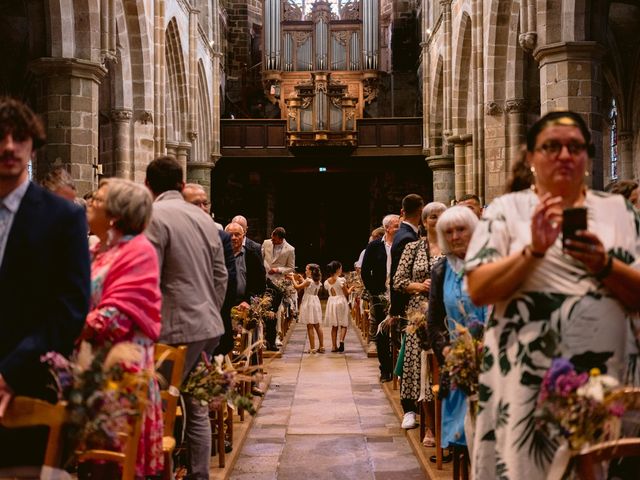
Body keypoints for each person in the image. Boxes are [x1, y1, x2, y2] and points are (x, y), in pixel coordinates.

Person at [465, 111, 640, 479]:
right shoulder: (505, 210)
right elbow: (479, 289)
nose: (564, 155)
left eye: (575, 146)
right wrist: (535, 251)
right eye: (551, 146)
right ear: (531, 157)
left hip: (604, 382)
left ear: (588, 157)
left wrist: (603, 264)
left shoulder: (619, 211)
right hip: (527, 381)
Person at [0, 97, 91, 467]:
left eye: (19, 137)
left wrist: (8, 373)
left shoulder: (62, 217)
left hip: (30, 378)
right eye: (0, 136)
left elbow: (69, 307)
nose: (8, 145)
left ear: (32, 143)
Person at [144, 155, 228, 480]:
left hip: (175, 328)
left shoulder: (154, 216)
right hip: (207, 326)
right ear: (181, 184)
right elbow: (221, 276)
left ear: (148, 186)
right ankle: (199, 474)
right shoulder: (205, 219)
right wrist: (208, 309)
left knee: (160, 405)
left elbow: (150, 276)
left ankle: (161, 472)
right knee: (196, 405)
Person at [79, 178, 163, 477]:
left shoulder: (139, 251)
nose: (91, 203)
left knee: (114, 467)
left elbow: (115, 319)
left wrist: (69, 324)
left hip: (121, 376)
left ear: (115, 213)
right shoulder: (100, 250)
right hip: (94, 369)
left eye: (98, 200)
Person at [427, 205, 487, 465]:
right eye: (448, 232)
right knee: (465, 437)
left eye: (460, 229)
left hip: (493, 356)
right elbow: (434, 321)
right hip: (460, 362)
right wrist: (448, 351)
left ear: (473, 229)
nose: (454, 237)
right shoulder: (441, 270)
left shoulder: (491, 261)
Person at [393, 202, 446, 434]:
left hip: (446, 313)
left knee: (442, 367)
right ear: (424, 222)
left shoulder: (453, 247)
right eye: (432, 217)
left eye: (441, 216)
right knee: (419, 367)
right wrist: (419, 285)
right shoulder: (412, 248)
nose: (437, 220)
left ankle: (444, 424)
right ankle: (422, 420)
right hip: (418, 315)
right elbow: (397, 281)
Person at [361, 216, 400, 381]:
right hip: (380, 294)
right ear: (388, 228)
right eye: (397, 226)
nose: (400, 229)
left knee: (399, 331)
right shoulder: (374, 246)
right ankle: (385, 369)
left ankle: (399, 369)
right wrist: (374, 291)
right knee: (382, 332)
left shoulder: (403, 244)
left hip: (399, 293)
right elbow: (365, 271)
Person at [262, 227, 296, 348]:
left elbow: (291, 267)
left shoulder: (290, 249)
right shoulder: (266, 243)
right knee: (263, 308)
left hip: (278, 281)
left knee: (277, 311)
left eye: (274, 239)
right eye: (271, 238)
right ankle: (263, 338)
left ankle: (276, 336)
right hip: (264, 279)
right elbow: (260, 258)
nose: (272, 241)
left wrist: (278, 270)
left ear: (281, 239)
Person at [291, 264, 324, 353]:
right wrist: (302, 279)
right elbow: (307, 284)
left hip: (309, 302)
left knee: (310, 326)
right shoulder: (316, 280)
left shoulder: (309, 280)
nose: (305, 271)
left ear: (311, 271)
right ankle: (322, 346)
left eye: (307, 269)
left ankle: (312, 348)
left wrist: (293, 279)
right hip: (315, 301)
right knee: (317, 325)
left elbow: (297, 287)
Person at [324, 260, 353, 353]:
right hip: (341, 301)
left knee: (334, 325)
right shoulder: (341, 280)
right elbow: (347, 293)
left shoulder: (326, 281)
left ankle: (333, 346)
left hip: (332, 301)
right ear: (337, 269)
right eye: (340, 268)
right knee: (344, 323)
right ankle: (341, 341)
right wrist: (352, 288)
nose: (341, 270)